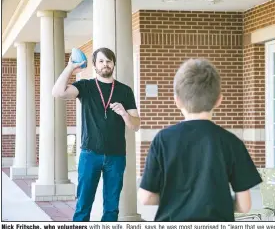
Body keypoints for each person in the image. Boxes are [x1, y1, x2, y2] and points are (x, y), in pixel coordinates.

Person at [137, 58, 262, 221]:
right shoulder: (232, 142)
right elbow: (244, 205)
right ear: (219, 100)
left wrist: (178, 200)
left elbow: (145, 197)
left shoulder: (163, 140)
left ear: (177, 100)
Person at [52, 47, 140, 221]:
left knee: (112, 208)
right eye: (101, 61)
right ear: (94, 65)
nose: (105, 64)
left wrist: (124, 113)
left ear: (114, 64)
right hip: (89, 155)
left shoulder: (125, 90)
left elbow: (135, 125)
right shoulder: (86, 86)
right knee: (83, 206)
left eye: (108, 61)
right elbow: (57, 92)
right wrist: (70, 67)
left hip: (116, 157)